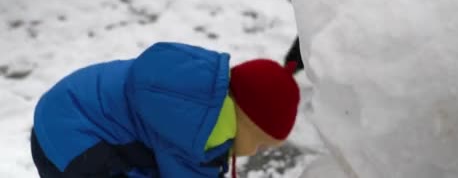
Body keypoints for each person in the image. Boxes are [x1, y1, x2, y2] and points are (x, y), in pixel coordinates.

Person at [31, 42, 300, 178]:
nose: (256, 153)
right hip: (73, 142)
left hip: (67, 111)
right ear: (248, 124)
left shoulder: (208, 97)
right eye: (262, 145)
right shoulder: (201, 135)